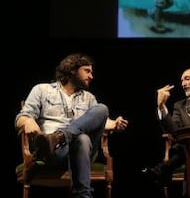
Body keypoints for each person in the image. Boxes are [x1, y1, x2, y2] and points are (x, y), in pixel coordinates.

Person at [15, 53, 128, 198]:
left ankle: (60, 136)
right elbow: (20, 118)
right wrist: (28, 121)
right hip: (52, 151)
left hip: (83, 152)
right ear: (72, 70)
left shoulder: (89, 98)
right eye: (87, 71)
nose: (91, 76)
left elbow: (101, 121)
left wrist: (115, 123)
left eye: (91, 72)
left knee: (101, 110)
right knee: (82, 138)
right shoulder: (42, 90)